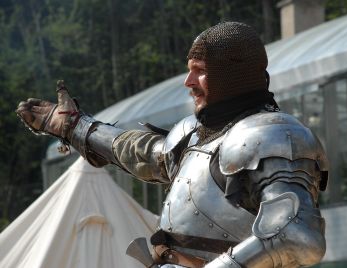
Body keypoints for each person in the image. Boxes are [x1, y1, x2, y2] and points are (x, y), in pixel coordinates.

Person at [16, 22, 328, 268]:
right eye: (189, 69)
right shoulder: (194, 133)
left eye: (201, 71)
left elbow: (296, 235)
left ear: (233, 75)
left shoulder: (274, 136)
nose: (188, 82)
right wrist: (75, 126)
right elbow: (142, 153)